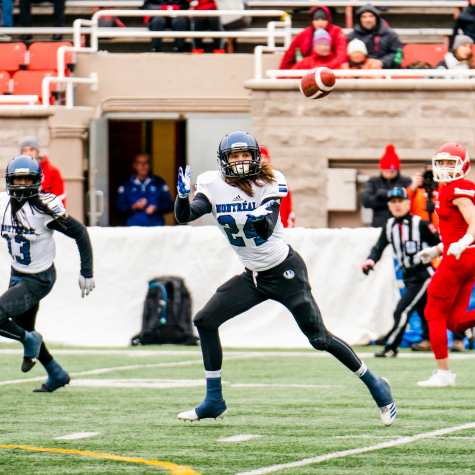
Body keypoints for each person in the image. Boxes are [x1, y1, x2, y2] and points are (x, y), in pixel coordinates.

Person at [174, 130, 396, 426]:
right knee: (204, 320)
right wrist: (181, 196)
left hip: (284, 271)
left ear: (255, 157)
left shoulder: (270, 180)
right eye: (234, 156)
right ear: (223, 160)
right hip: (252, 276)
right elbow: (188, 215)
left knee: (319, 338)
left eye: (245, 155)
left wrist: (257, 218)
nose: (240, 161)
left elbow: (266, 229)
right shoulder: (211, 183)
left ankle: (376, 385)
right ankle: (214, 400)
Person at [0, 155, 94, 392]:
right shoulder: (2, 203)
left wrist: (87, 271)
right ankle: (57, 374)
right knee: (25, 328)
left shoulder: (44, 208)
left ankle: (30, 341)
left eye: (27, 179)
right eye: (18, 179)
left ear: (37, 181)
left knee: (19, 329)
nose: (22, 184)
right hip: (17, 273)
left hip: (40, 278)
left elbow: (80, 232)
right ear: (10, 180)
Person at [416, 143, 475, 387]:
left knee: (432, 312)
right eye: (441, 162)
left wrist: (464, 243)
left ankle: (444, 374)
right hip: (464, 256)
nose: (444, 167)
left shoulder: (459, 188)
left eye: (451, 162)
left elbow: (473, 223)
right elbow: (455, 230)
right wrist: (437, 249)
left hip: (462, 258)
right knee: (453, 321)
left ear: (463, 165)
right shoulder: (450, 188)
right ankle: (443, 374)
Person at [362, 187, 440, 358]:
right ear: (389, 206)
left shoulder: (421, 224)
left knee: (402, 310)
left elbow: (441, 243)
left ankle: (391, 346)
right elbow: (379, 247)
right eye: (393, 202)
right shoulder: (389, 225)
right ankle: (430, 340)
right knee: (425, 311)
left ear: (408, 203)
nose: (397, 205)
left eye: (400, 201)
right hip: (408, 275)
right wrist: (370, 261)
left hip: (423, 274)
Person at [279, 6, 346, 70]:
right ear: (312, 20)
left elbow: (341, 57)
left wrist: (324, 69)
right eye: (316, 19)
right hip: (308, 70)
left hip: (333, 70)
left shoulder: (337, 32)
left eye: (323, 19)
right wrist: (280, 78)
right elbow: (288, 57)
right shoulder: (304, 34)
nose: (320, 22)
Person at [361, 144, 412, 228]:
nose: (389, 174)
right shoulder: (373, 182)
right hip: (379, 226)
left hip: (401, 226)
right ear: (381, 169)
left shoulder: (406, 181)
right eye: (386, 171)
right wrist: (394, 200)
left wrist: (384, 195)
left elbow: (409, 201)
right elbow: (366, 201)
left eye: (392, 172)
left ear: (397, 170)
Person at [116, 153, 174, 227]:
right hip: (133, 228)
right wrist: (133, 207)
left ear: (150, 165)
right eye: (140, 163)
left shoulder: (159, 182)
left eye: (146, 163)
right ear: (134, 165)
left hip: (156, 227)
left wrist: (156, 208)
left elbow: (169, 205)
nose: (143, 166)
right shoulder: (127, 185)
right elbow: (118, 208)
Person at [347, 5, 403, 69]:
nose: (368, 20)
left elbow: (397, 52)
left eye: (371, 16)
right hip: (361, 70)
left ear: (376, 18)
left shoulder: (389, 33)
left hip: (385, 69)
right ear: (360, 19)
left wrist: (382, 62)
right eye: (364, 17)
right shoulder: (354, 35)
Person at [19, 135, 66, 207]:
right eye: (25, 150)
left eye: (31, 149)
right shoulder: (17, 173)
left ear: (37, 151)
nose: (28, 153)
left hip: (46, 215)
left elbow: (60, 198)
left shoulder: (52, 171)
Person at [259, 146, 294, 228]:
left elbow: (287, 206)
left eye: (265, 157)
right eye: (260, 157)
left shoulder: (278, 179)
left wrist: (288, 227)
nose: (262, 160)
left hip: (279, 227)